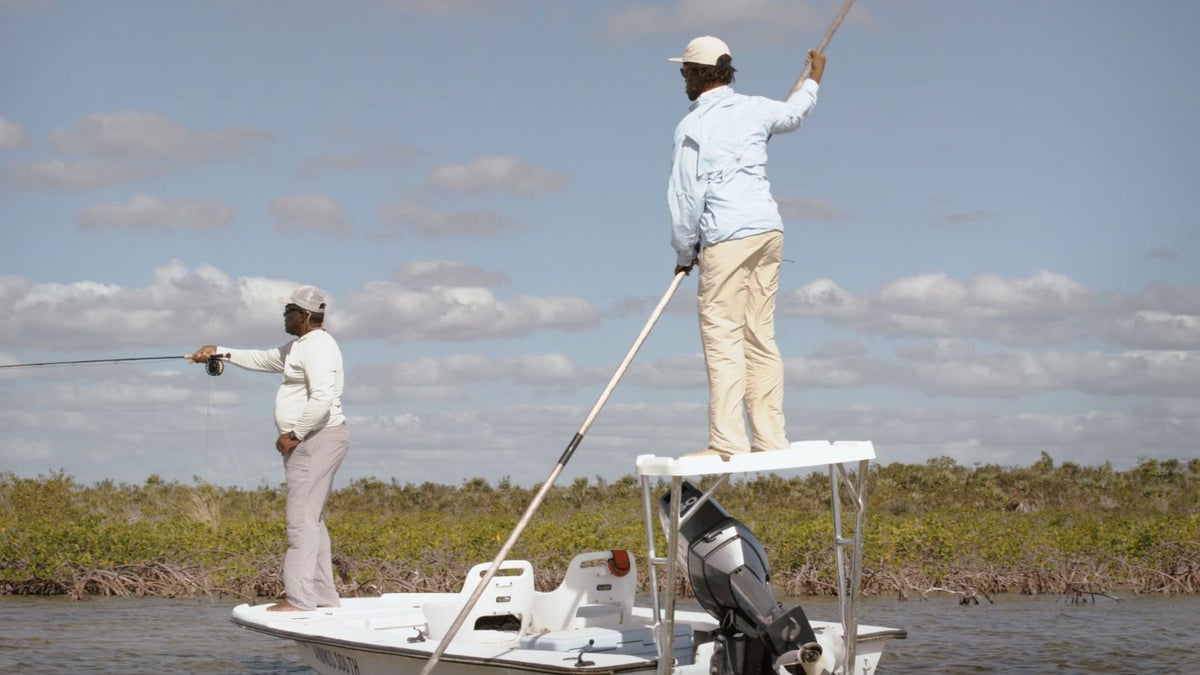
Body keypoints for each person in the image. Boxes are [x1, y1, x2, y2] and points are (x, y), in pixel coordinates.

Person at [666, 36, 825, 460]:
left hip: (727, 236)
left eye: (685, 71)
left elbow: (685, 197)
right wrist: (813, 80)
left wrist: (684, 253)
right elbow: (793, 115)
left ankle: (727, 443)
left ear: (699, 74)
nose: (683, 79)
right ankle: (771, 437)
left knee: (723, 337)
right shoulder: (756, 107)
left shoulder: (691, 126)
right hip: (768, 229)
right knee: (760, 335)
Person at [188, 285, 349, 611]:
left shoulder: (316, 347)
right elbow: (265, 358)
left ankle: (300, 599)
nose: (283, 316)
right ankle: (321, 596)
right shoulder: (302, 346)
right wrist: (219, 350)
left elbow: (323, 397)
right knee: (311, 519)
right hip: (317, 439)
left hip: (315, 439)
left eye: (288, 310)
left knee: (299, 519)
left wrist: (295, 434)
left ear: (303, 316)